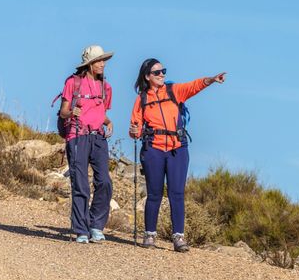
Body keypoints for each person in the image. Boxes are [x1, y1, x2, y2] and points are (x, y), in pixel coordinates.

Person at [129, 58, 226, 252]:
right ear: (148, 76)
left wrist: (212, 79)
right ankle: (149, 235)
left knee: (177, 193)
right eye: (157, 72)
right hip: (153, 148)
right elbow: (136, 128)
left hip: (177, 149)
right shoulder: (142, 99)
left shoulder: (174, 91)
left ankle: (178, 238)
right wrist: (134, 131)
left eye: (163, 71)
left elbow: (195, 86)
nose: (162, 74)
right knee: (154, 193)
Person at [58, 45, 115, 244]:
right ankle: (81, 230)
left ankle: (96, 225)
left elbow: (99, 111)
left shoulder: (105, 87)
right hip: (77, 136)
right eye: (99, 60)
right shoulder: (73, 83)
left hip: (98, 137)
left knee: (105, 182)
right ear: (89, 64)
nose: (103, 64)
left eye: (103, 60)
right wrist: (71, 112)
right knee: (81, 184)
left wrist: (107, 121)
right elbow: (63, 111)